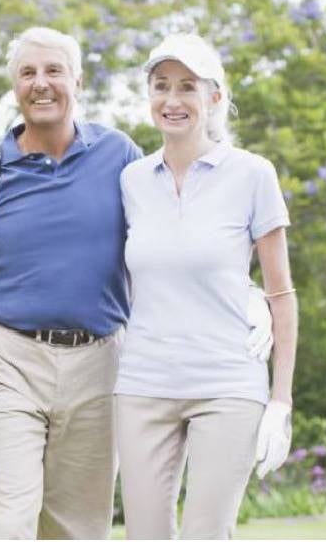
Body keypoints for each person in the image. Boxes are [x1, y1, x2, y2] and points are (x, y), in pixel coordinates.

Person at [0, 26, 142, 539]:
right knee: (10, 520)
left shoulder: (120, 156)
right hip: (10, 359)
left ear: (78, 81)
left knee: (78, 529)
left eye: (54, 70)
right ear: (14, 87)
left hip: (101, 362)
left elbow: (161, 249)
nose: (41, 83)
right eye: (28, 73)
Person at [114, 33, 298, 539]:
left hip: (226, 385)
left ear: (214, 98)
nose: (172, 100)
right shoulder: (131, 180)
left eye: (187, 87)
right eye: (161, 86)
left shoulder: (252, 174)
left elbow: (281, 293)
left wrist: (280, 401)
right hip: (143, 386)